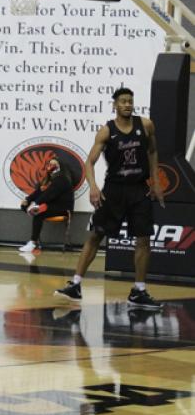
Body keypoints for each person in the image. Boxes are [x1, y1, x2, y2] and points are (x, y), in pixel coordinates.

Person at [54, 88, 164, 310]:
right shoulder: (107, 131)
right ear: (115, 105)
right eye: (123, 101)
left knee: (143, 239)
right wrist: (93, 187)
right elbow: (89, 163)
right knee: (96, 235)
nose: (127, 105)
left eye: (130, 101)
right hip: (114, 190)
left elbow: (152, 152)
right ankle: (75, 285)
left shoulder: (146, 125)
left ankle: (139, 291)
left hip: (139, 189)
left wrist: (156, 181)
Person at [19, 157, 74, 255]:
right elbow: (38, 192)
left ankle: (33, 242)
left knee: (38, 212)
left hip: (63, 209)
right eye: (49, 164)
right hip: (50, 207)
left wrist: (35, 204)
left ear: (60, 166)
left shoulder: (62, 179)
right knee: (32, 209)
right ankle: (34, 241)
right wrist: (28, 200)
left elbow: (49, 195)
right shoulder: (47, 181)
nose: (51, 166)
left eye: (54, 164)